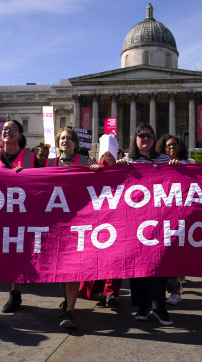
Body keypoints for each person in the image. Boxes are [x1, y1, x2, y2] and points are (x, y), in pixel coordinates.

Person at [118, 123, 180, 326]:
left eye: (150, 136)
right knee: (138, 267)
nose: (146, 139)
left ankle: (159, 307)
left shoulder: (164, 159)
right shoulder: (127, 160)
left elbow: (178, 179)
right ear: (135, 138)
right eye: (142, 135)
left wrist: (178, 166)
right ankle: (143, 306)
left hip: (160, 220)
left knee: (160, 266)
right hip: (135, 221)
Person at [0, 120, 39, 327]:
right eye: (5, 129)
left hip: (22, 217)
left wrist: (27, 178)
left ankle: (15, 292)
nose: (8, 132)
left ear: (21, 134)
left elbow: (43, 186)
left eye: (13, 129)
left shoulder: (31, 158)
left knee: (17, 258)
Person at [47, 127, 94, 329]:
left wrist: (99, 169)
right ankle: (67, 300)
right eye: (62, 138)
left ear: (76, 143)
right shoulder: (50, 163)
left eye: (69, 139)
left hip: (79, 220)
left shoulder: (85, 161)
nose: (65, 141)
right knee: (59, 267)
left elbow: (102, 174)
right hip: (56, 221)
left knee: (72, 267)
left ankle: (70, 310)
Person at [80, 134, 122, 308]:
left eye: (111, 153)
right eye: (106, 153)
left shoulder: (123, 167)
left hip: (119, 218)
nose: (109, 156)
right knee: (97, 256)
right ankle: (94, 289)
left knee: (118, 256)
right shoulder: (95, 169)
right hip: (99, 218)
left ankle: (111, 292)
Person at [155, 134, 193, 305]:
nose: (172, 149)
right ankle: (158, 293)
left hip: (180, 216)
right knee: (159, 255)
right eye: (168, 146)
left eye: (175, 146)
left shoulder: (188, 164)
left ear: (181, 147)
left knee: (173, 254)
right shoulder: (156, 165)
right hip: (158, 215)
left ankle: (175, 290)